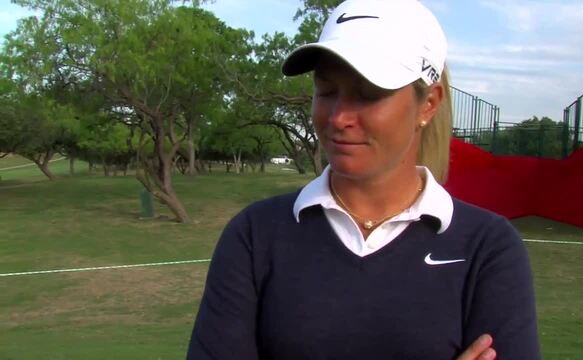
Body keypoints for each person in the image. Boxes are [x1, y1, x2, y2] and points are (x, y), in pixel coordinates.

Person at [187, 0, 540, 359]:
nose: (339, 117)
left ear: (428, 104)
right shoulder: (255, 236)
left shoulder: (487, 248)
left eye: (368, 94)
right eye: (326, 91)